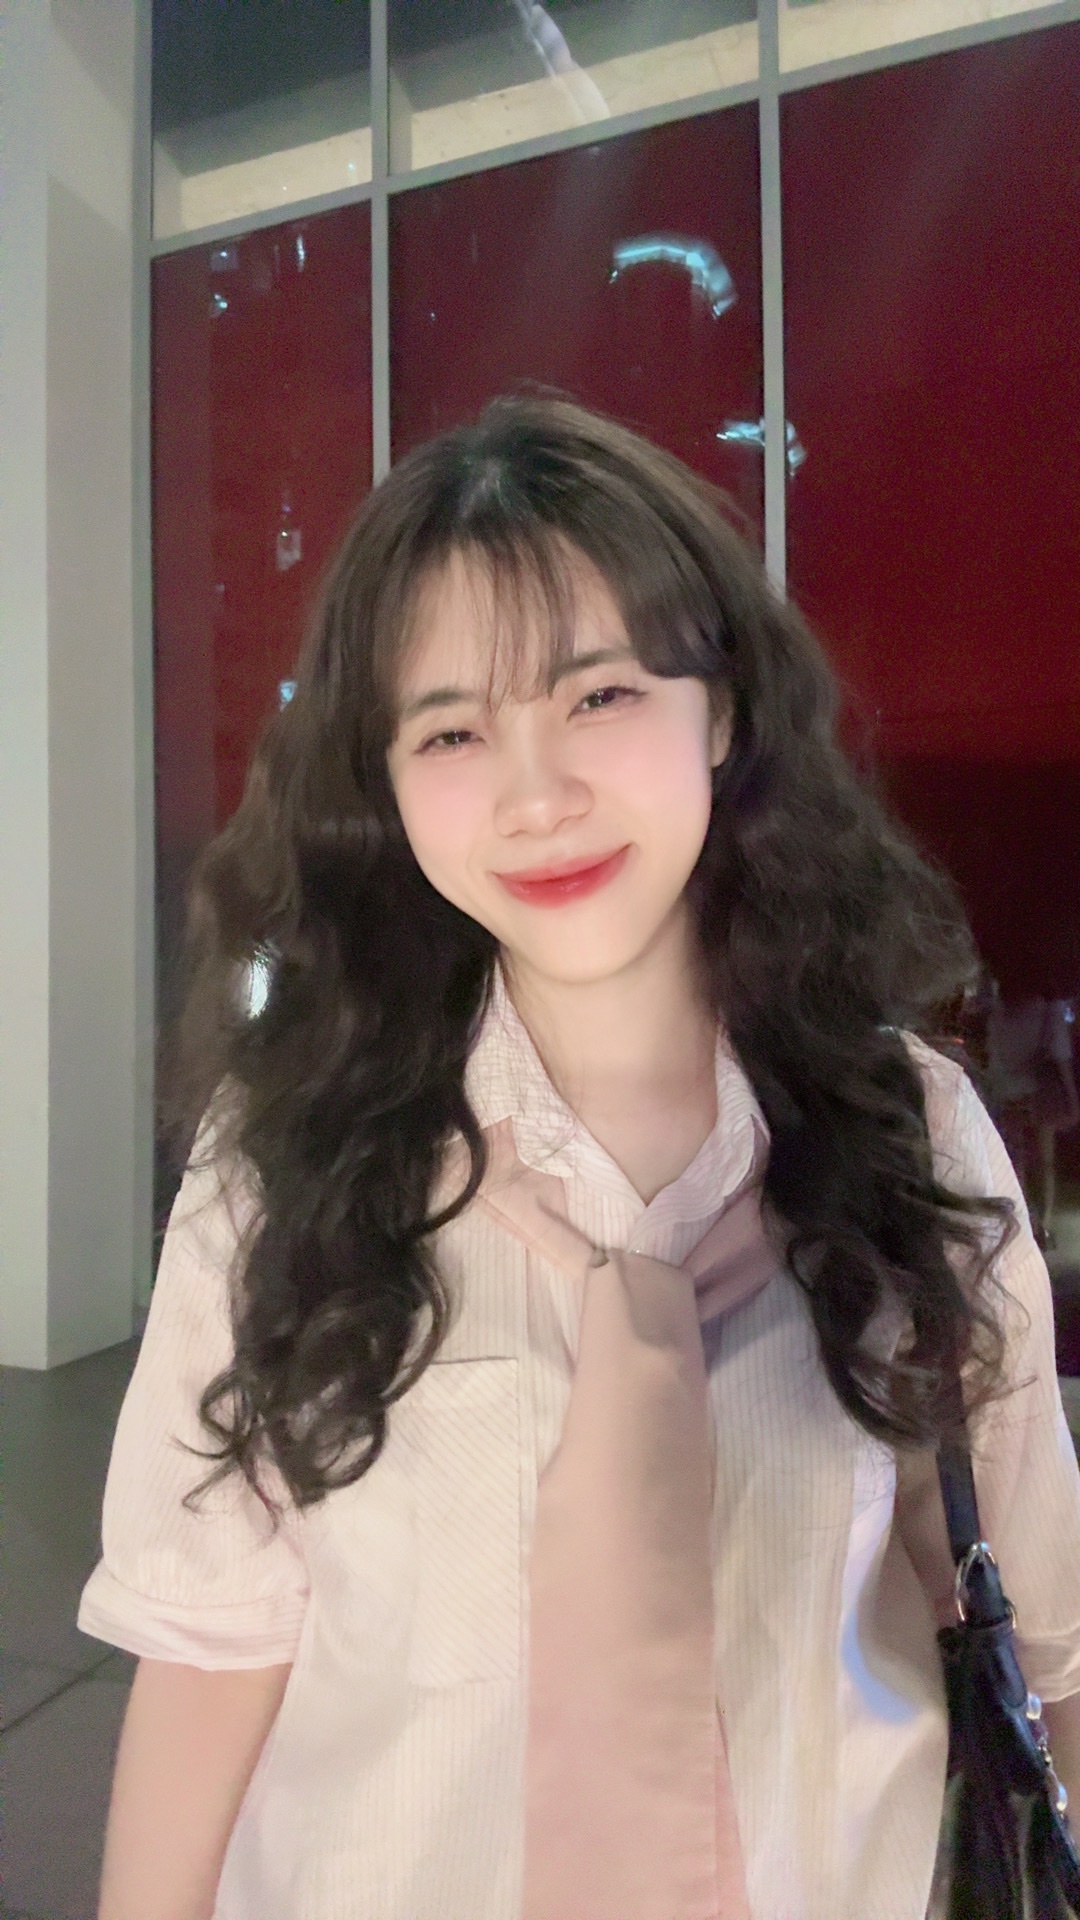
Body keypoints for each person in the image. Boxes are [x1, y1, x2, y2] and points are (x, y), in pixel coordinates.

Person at [79, 395, 1080, 1920]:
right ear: (384, 781)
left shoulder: (907, 1135)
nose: (536, 793)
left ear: (721, 713)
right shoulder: (287, 1166)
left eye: (600, 696)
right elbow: (213, 1655)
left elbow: (1049, 1643)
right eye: (453, 730)